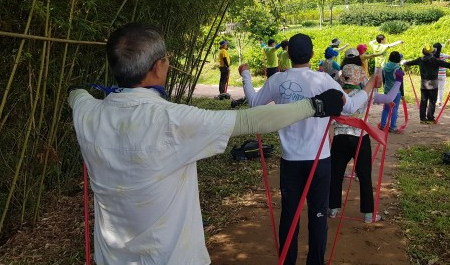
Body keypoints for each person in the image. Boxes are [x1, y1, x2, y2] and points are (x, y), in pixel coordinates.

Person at [68, 23, 346, 265]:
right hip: (170, 257)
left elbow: (76, 95)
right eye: (166, 59)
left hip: (111, 258)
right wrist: (315, 105)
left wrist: (77, 90)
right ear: (157, 68)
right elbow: (251, 121)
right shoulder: (173, 120)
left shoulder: (88, 114)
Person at [239, 33, 380, 265]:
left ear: (287, 55)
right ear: (312, 55)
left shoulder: (278, 80)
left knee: (289, 217)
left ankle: (288, 261)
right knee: (318, 215)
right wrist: (372, 83)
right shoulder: (323, 80)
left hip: (291, 162)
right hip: (319, 161)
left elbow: (254, 104)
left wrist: (245, 74)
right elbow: (352, 105)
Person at [328, 49, 400, 223]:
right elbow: (390, 96)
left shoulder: (337, 95)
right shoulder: (365, 95)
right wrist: (398, 81)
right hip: (360, 138)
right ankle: (369, 214)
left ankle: (333, 209)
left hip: (340, 137)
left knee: (335, 174)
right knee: (365, 175)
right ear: (361, 77)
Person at [403, 44, 450, 123]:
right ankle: (430, 118)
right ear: (432, 53)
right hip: (433, 84)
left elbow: (409, 63)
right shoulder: (435, 60)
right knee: (432, 101)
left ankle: (422, 119)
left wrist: (404, 62)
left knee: (423, 101)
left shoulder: (420, 60)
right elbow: (447, 65)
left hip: (424, 83)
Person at [378, 51, 405, 132]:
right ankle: (393, 126)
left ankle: (383, 125)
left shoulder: (385, 66)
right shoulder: (398, 69)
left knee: (386, 108)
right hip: (396, 92)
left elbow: (384, 79)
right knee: (394, 109)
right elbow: (401, 82)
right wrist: (402, 94)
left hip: (387, 90)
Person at [433, 42, 450, 111]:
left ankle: (433, 102)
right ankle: (439, 103)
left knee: (434, 89)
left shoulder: (431, 56)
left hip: (434, 74)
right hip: (442, 75)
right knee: (441, 89)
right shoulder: (443, 55)